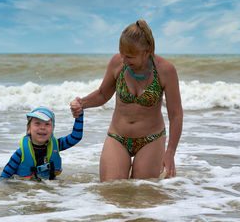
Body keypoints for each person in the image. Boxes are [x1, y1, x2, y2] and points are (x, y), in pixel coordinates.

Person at [70, 20, 183, 181]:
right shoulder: (117, 63)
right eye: (122, 54)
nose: (123, 60)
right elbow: (103, 94)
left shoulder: (166, 71)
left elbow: (176, 115)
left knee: (143, 195)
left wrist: (170, 152)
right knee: (112, 190)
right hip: (118, 137)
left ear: (147, 51)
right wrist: (82, 103)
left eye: (129, 56)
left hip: (151, 139)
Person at [0, 107, 84, 180]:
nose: (42, 127)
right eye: (37, 123)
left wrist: (79, 115)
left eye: (47, 124)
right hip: (25, 192)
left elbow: (76, 137)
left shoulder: (57, 145)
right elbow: (4, 178)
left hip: (46, 191)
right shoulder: (20, 153)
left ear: (52, 129)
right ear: (28, 128)